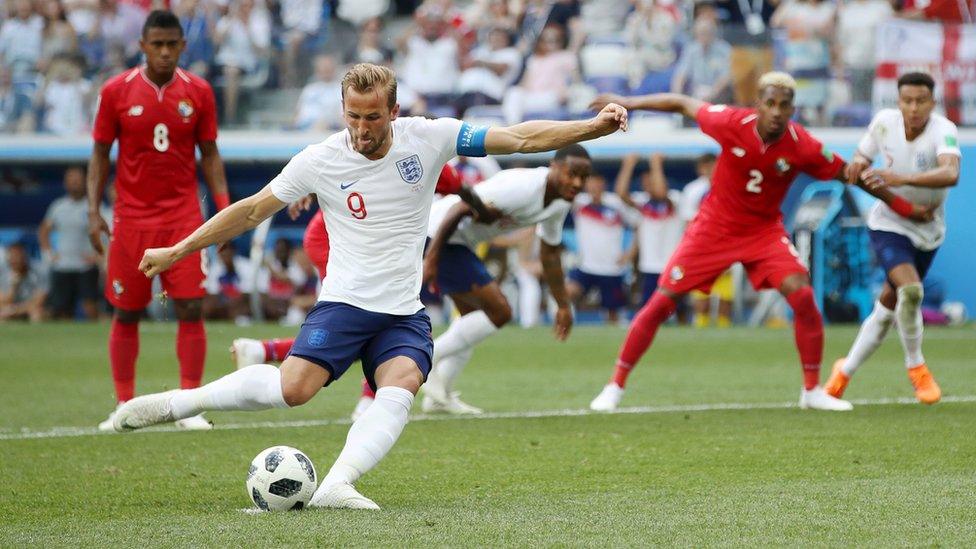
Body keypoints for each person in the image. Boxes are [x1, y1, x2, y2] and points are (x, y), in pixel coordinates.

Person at [114, 63, 627, 510]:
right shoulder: (319, 159)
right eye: (353, 116)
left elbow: (519, 139)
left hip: (403, 312)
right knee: (292, 391)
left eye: (373, 117)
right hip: (342, 305)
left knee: (401, 384)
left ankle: (338, 483)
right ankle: (182, 403)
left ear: (395, 111)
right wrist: (179, 250)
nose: (361, 129)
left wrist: (592, 128)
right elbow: (250, 211)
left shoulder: (429, 137)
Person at [586, 72, 933, 413]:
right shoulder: (731, 122)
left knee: (802, 295)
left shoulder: (803, 146)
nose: (777, 111)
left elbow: (852, 176)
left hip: (763, 232)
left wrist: (903, 206)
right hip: (714, 228)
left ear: (793, 108)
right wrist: (629, 101)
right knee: (663, 301)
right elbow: (681, 102)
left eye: (785, 105)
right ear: (759, 104)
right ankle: (614, 387)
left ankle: (811, 391)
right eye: (770, 103)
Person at [230, 163, 498, 421]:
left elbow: (461, 189)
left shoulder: (426, 156)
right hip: (337, 241)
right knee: (370, 321)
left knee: (373, 323)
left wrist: (481, 209)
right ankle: (365, 402)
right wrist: (309, 188)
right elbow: (338, 165)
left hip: (362, 246)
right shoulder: (397, 151)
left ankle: (263, 351)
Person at [86, 10, 230, 432]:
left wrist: (222, 210)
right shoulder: (116, 92)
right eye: (157, 44)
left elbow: (211, 154)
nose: (165, 52)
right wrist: (93, 212)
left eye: (172, 44)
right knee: (127, 312)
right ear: (143, 46)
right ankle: (124, 405)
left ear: (183, 46)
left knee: (190, 306)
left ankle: (188, 405)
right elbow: (98, 155)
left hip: (183, 216)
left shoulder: (199, 92)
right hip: (130, 218)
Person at [422, 145, 589, 413]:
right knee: (500, 312)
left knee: (471, 320)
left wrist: (563, 304)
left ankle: (438, 398)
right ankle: (423, 362)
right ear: (555, 167)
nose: (577, 183)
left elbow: (549, 255)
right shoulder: (522, 185)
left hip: (460, 242)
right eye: (572, 174)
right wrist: (431, 257)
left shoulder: (560, 200)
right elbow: (461, 207)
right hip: (437, 234)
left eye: (584, 177)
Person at [825, 72, 960, 405]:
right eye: (907, 100)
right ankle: (917, 367)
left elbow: (951, 173)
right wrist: (858, 167)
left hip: (928, 230)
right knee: (911, 291)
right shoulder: (884, 123)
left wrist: (900, 177)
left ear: (932, 102)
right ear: (898, 101)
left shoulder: (944, 131)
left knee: (888, 305)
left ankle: (843, 371)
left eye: (921, 101)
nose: (913, 108)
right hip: (889, 224)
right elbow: (859, 160)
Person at [614, 153, 684, 309]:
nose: (647, 186)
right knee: (648, 308)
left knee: (679, 308)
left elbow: (661, 192)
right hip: (649, 266)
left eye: (650, 182)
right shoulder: (642, 203)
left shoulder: (675, 199)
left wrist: (656, 164)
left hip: (672, 265)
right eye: (644, 183)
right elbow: (620, 193)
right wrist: (628, 165)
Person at [567, 172, 634, 324]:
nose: (594, 187)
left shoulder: (616, 203)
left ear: (603, 184)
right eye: (591, 183)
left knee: (613, 315)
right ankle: (564, 321)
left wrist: (629, 253)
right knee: (568, 292)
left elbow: (638, 225)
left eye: (598, 183)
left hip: (612, 268)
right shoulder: (579, 202)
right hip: (586, 266)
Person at [676, 152, 733, 327]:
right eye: (706, 166)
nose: (710, 170)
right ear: (700, 169)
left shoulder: (729, 185)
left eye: (713, 165)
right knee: (701, 302)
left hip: (725, 248)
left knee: (725, 301)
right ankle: (700, 332)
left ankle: (724, 336)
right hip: (702, 248)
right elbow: (689, 223)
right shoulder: (692, 190)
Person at [38, 165, 102, 320]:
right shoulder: (58, 207)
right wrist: (48, 254)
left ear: (85, 182)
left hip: (85, 267)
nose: (74, 183)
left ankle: (96, 339)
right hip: (63, 266)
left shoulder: (93, 207)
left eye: (77, 180)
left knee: (90, 307)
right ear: (65, 183)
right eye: (71, 180)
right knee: (61, 310)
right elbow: (44, 230)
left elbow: (104, 232)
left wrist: (98, 255)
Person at [0, 242, 48, 322]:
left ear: (25, 257)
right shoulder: (3, 274)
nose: (16, 261)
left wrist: (16, 310)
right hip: (9, 310)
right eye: (13, 257)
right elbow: (2, 302)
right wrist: (14, 287)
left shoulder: (39, 271)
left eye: (19, 257)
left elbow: (39, 301)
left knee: (37, 314)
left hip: (29, 309)